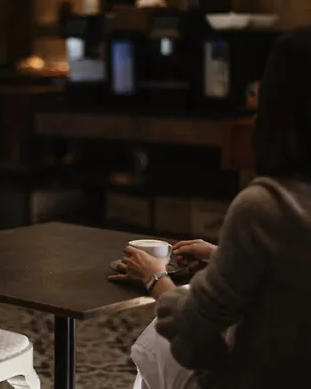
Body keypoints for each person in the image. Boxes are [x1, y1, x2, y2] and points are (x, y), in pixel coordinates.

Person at [108, 25, 311, 389]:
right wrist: (223, 255)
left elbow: (196, 333)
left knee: (160, 342)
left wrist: (155, 278)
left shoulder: (264, 206)